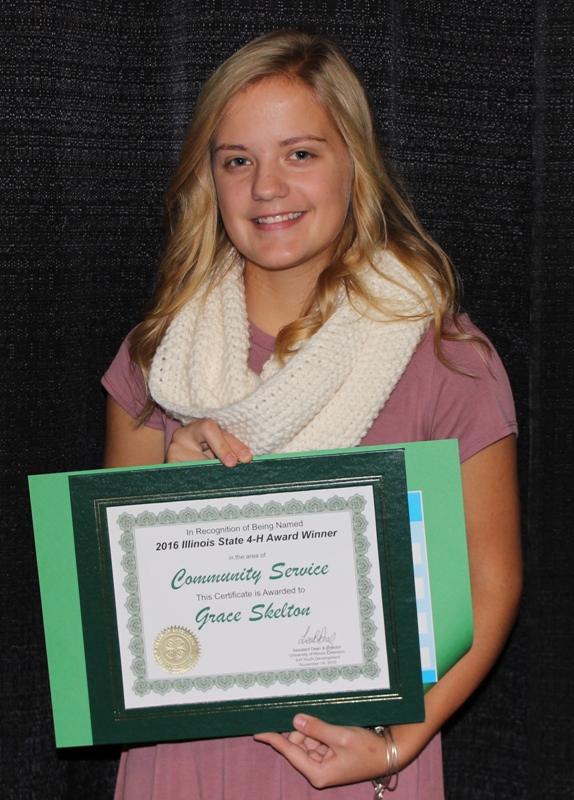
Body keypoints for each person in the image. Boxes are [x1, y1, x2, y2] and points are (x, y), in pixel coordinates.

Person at [102, 29, 521, 800]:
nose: (267, 187)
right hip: (184, 761)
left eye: (300, 153)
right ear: (210, 179)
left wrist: (395, 745)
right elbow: (108, 607)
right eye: (238, 161)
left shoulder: (447, 358)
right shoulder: (155, 359)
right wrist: (168, 494)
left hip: (359, 759)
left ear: (354, 162)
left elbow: (491, 582)